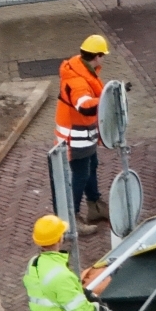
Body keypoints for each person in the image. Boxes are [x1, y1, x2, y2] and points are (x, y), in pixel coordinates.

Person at [58, 34, 108, 227]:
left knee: (91, 166)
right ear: (97, 56)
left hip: (85, 133)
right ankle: (72, 218)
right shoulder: (78, 80)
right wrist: (108, 99)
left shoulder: (81, 70)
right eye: (103, 56)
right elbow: (84, 106)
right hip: (76, 137)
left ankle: (95, 206)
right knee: (80, 174)